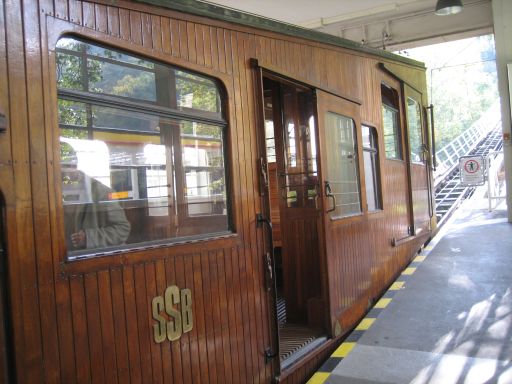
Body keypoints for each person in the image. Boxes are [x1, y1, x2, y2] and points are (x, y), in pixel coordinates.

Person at [66, 172, 131, 251]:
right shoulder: (65, 190)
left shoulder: (103, 192)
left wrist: (88, 238)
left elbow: (123, 229)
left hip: (99, 258)